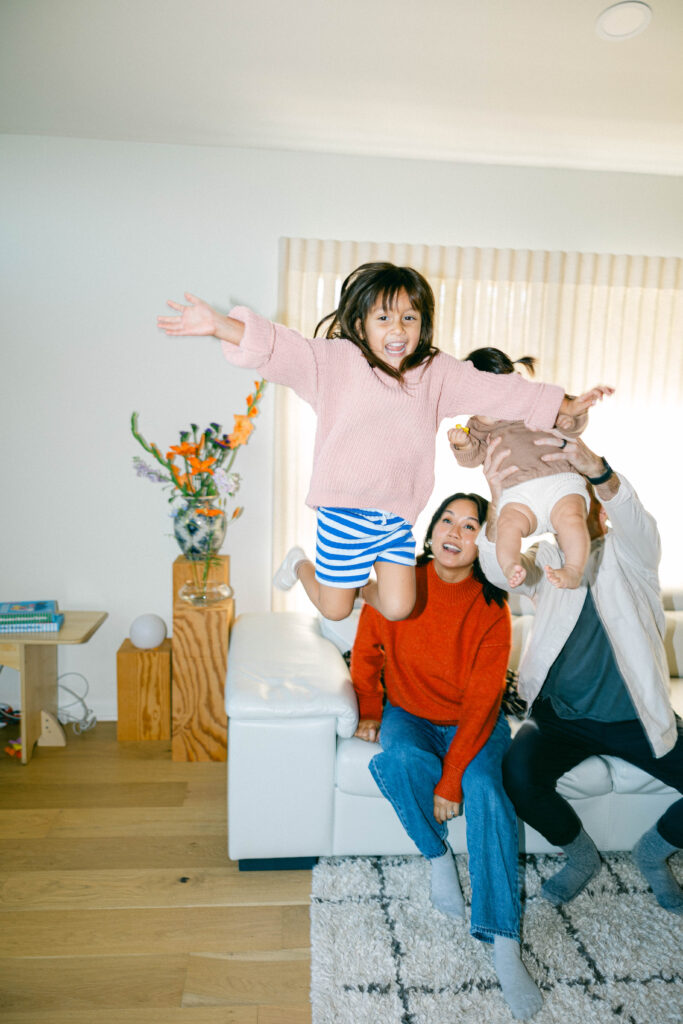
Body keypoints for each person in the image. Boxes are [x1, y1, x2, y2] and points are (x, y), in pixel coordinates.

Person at [157, 262, 607, 622]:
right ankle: (300, 564)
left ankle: (353, 585)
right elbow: (281, 347)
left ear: (422, 324)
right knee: (334, 610)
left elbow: (499, 391)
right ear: (361, 323)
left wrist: (563, 404)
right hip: (344, 512)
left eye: (409, 317)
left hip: (394, 517)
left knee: (397, 607)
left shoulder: (435, 373)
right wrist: (219, 326)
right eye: (384, 317)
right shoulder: (336, 362)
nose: (398, 329)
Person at [351, 491, 543, 1020]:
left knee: (486, 791)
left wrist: (453, 776)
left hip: (472, 724)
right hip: (409, 715)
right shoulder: (400, 585)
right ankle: (438, 858)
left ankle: (504, 941)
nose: (454, 533)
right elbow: (367, 649)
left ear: (484, 541)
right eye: (446, 521)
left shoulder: (491, 606)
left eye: (470, 525)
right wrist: (370, 707)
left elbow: (484, 701)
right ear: (431, 530)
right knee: (394, 763)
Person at [477, 433, 683, 915]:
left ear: (598, 512)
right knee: (517, 775)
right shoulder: (547, 559)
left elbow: (639, 524)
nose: (568, 511)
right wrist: (497, 502)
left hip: (636, 718)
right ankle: (580, 855)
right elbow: (496, 570)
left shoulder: (632, 559)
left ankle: (653, 854)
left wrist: (598, 472)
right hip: (559, 719)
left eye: (581, 500)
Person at [449, 347, 613, 590]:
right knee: (507, 526)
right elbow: (471, 459)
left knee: (572, 520)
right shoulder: (476, 427)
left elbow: (570, 427)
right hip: (517, 494)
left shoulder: (534, 403)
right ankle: (510, 566)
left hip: (559, 481)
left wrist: (574, 415)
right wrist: (462, 444)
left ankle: (573, 569)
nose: (492, 406)